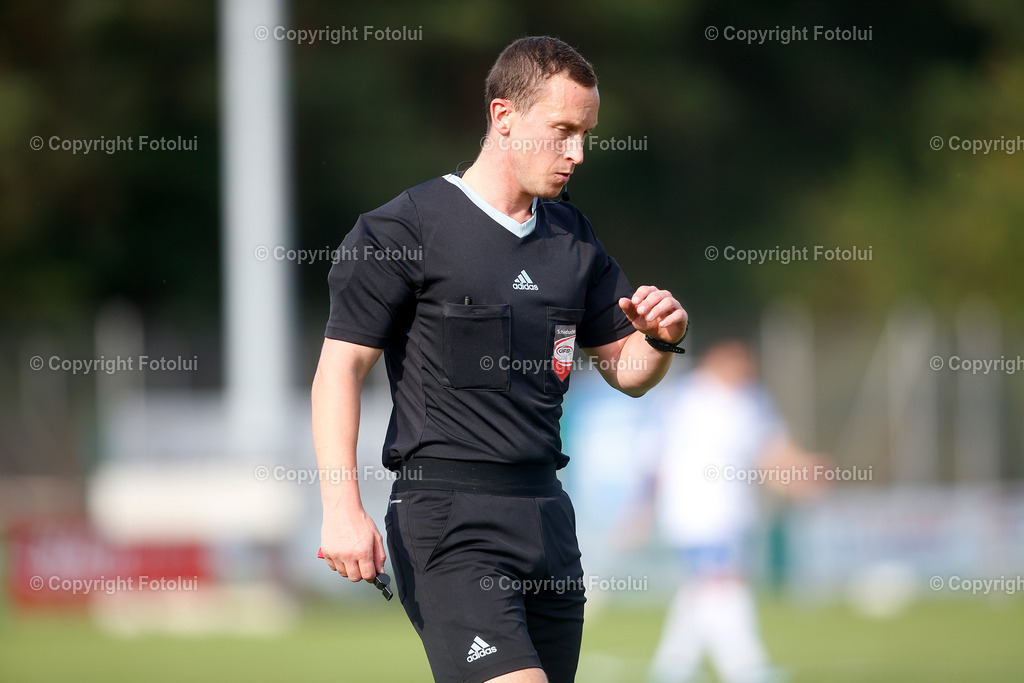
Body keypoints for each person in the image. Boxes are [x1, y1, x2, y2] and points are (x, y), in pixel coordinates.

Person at [311, 36, 687, 683]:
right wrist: (341, 508)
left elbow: (626, 374)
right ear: (503, 116)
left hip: (547, 517)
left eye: (587, 134)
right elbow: (339, 370)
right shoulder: (403, 230)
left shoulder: (573, 238)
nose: (577, 153)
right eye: (562, 131)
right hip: (449, 519)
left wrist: (658, 338)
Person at [646, 339, 824, 683]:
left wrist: (801, 471)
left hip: (734, 512)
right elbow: (653, 459)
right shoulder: (683, 400)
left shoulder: (750, 399)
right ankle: (745, 667)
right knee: (723, 584)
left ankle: (672, 666)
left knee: (704, 588)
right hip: (695, 512)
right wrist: (643, 508)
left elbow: (771, 450)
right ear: (717, 362)